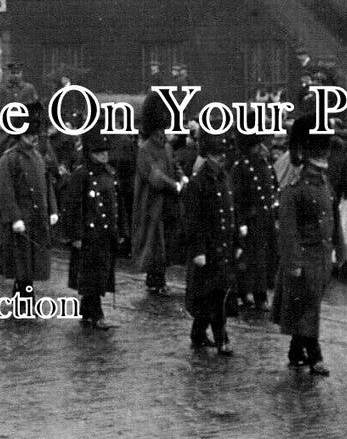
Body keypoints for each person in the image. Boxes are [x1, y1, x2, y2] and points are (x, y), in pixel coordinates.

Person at [272, 115, 334, 376]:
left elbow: (330, 217)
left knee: (308, 306)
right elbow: (288, 230)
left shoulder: (323, 184)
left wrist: (336, 250)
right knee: (308, 308)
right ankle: (314, 353)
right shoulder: (294, 189)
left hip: (320, 254)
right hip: (304, 256)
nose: (319, 171)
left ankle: (296, 351)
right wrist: (293, 262)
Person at [0, 101, 57, 308]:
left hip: (37, 217)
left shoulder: (38, 156)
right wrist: (15, 217)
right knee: (21, 263)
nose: (33, 138)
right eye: (29, 134)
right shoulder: (9, 159)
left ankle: (22, 298)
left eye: (34, 134)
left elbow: (47, 185)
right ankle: (24, 301)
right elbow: (5, 191)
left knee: (31, 263)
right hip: (21, 217)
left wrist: (53, 209)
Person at [183, 130, 240, 356]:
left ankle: (198, 333)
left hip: (223, 244)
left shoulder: (225, 178)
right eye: (215, 156)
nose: (220, 160)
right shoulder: (198, 183)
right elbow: (193, 219)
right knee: (212, 294)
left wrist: (236, 242)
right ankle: (221, 338)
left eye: (221, 156)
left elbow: (231, 213)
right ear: (207, 156)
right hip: (207, 246)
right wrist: (197, 250)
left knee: (217, 294)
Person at [65, 128, 119, 330]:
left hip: (105, 232)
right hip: (89, 233)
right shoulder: (81, 175)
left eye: (105, 151)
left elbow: (116, 204)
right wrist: (76, 235)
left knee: (100, 272)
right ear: (90, 153)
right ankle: (96, 313)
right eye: (99, 152)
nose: (104, 155)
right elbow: (74, 206)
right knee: (90, 273)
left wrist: (119, 230)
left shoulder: (109, 173)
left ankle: (88, 311)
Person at [131, 90, 183, 295]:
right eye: (160, 129)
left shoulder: (166, 147)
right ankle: (156, 280)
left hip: (165, 204)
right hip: (150, 204)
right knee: (155, 244)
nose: (163, 133)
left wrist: (181, 176)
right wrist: (174, 184)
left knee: (164, 243)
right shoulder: (145, 149)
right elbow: (154, 175)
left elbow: (174, 164)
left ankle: (157, 279)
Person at [232, 128, 279, 311]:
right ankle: (251, 294)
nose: (261, 148)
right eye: (257, 145)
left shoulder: (265, 164)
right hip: (250, 219)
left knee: (264, 259)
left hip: (264, 217)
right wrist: (241, 222)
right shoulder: (241, 167)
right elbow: (236, 198)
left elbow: (273, 187)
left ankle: (258, 293)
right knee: (250, 260)